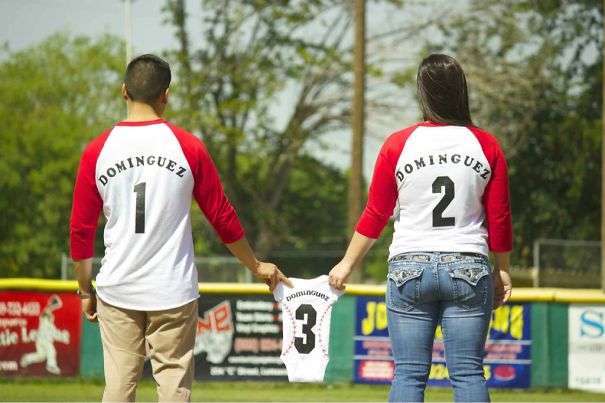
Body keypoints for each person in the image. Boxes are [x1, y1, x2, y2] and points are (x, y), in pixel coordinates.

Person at [70, 54, 292, 402]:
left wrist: (85, 291)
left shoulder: (97, 151)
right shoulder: (188, 147)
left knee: (118, 389)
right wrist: (256, 265)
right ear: (166, 95)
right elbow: (222, 217)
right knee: (175, 390)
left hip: (118, 290)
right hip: (172, 290)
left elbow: (80, 230)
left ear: (124, 90)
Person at [328, 54, 512, 402]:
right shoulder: (486, 145)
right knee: (468, 373)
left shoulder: (398, 144)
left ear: (423, 93)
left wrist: (346, 263)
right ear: (461, 90)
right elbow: (499, 216)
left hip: (409, 267)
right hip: (468, 265)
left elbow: (376, 214)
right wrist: (502, 269)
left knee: (409, 374)